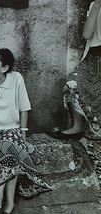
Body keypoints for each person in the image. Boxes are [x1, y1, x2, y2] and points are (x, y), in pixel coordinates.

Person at [0, 48, 52, 214]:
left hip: (13, 130)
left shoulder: (16, 78)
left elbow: (24, 109)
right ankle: (7, 203)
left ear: (4, 67)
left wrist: (23, 138)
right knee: (7, 149)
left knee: (9, 146)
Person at [52, 0, 101, 140]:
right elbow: (87, 34)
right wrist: (97, 5)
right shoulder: (95, 5)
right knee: (71, 84)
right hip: (93, 56)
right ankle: (77, 126)